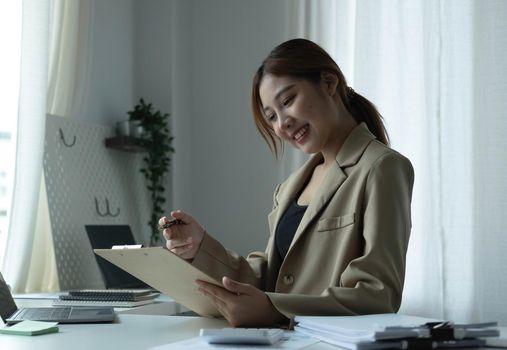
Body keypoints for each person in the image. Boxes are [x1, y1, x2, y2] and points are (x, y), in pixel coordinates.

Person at [160, 38, 414, 327]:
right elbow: (268, 277)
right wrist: (200, 246)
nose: (283, 124)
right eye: (271, 117)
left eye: (288, 101)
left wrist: (275, 310)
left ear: (329, 82)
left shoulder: (382, 167)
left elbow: (378, 295)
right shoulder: (289, 187)